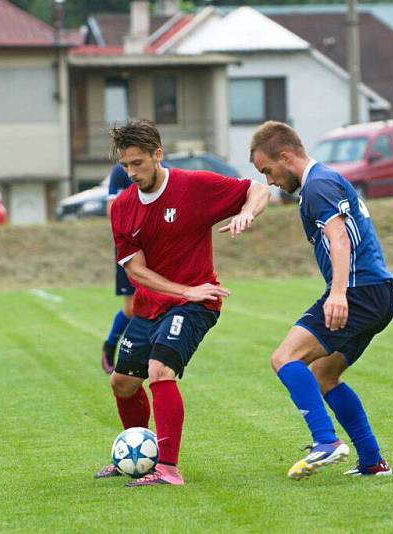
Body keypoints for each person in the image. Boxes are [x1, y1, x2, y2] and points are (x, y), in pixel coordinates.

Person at [94, 119, 271, 487]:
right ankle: (136, 456)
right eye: (125, 166)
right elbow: (136, 271)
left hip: (197, 303)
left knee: (159, 370)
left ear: (158, 155)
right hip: (153, 304)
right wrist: (181, 290)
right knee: (123, 383)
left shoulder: (194, 186)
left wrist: (247, 212)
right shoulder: (123, 207)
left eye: (137, 163)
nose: (131, 173)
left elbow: (257, 188)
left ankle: (168, 468)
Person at [250, 121, 393, 480]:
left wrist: (338, 292)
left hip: (360, 290)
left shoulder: (317, 186)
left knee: (285, 358)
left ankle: (325, 441)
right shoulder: (325, 181)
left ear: (286, 156)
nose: (269, 181)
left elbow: (340, 237)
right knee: (322, 374)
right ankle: (372, 460)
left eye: (268, 170)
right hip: (378, 292)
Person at [101, 163, 135, 374]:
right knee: (132, 308)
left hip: (157, 247)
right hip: (129, 246)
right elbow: (112, 210)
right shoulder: (122, 171)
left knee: (160, 303)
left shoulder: (165, 171)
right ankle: (110, 345)